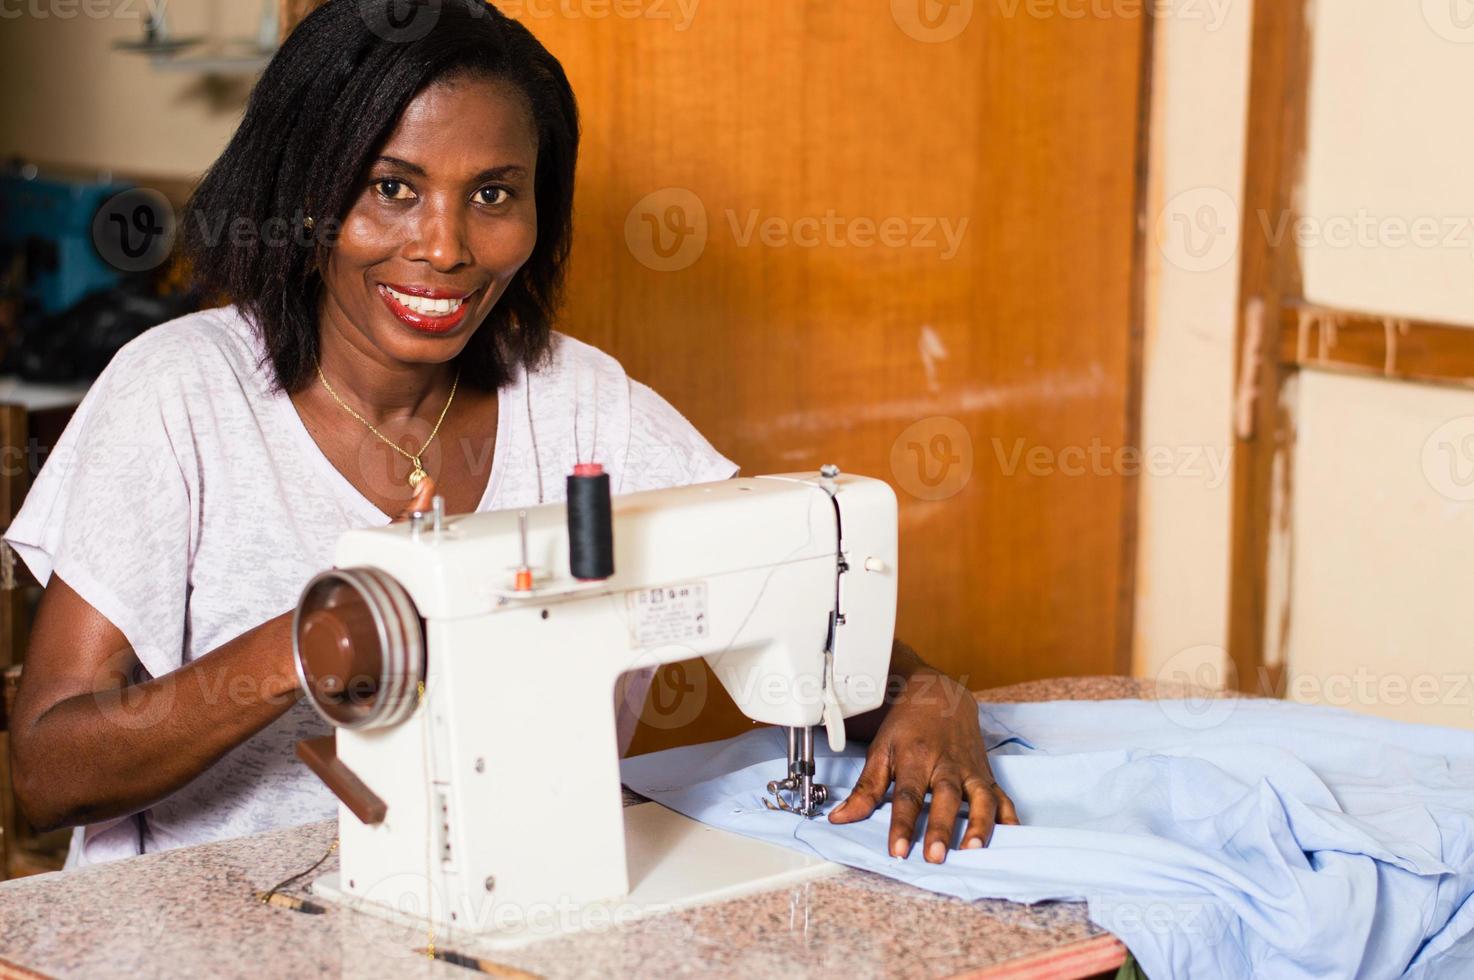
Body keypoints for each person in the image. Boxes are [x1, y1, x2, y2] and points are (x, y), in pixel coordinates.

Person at [3, 0, 1016, 872]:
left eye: (492, 194)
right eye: (391, 187)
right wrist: (301, 650)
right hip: (212, 933)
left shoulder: (580, 402)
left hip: (516, 908)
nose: (444, 246)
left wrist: (921, 690)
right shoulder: (182, 393)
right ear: (305, 191)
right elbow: (43, 775)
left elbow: (795, 580)